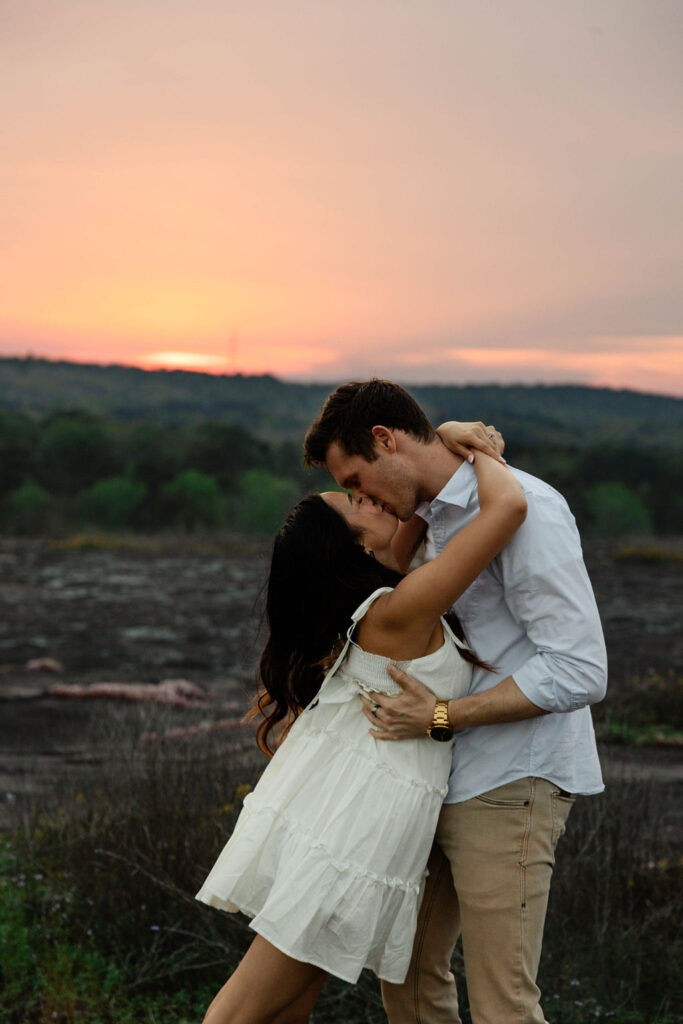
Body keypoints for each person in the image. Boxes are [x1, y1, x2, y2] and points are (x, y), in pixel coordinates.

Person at [195, 429, 527, 1024]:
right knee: (242, 1012)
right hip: (353, 830)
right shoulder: (397, 612)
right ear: (344, 546)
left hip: (361, 816)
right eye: (356, 503)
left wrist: (438, 438)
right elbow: (508, 508)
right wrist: (482, 453)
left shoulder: (386, 590)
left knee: (292, 1005)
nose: (371, 501)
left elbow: (414, 507)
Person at [303, 378, 608, 1024]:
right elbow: (386, 558)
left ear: (386, 440)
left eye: (358, 479)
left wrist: (442, 716)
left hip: (510, 778)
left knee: (502, 1003)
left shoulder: (528, 507)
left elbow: (581, 669)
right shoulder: (431, 515)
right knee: (407, 980)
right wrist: (449, 438)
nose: (360, 498)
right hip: (432, 778)